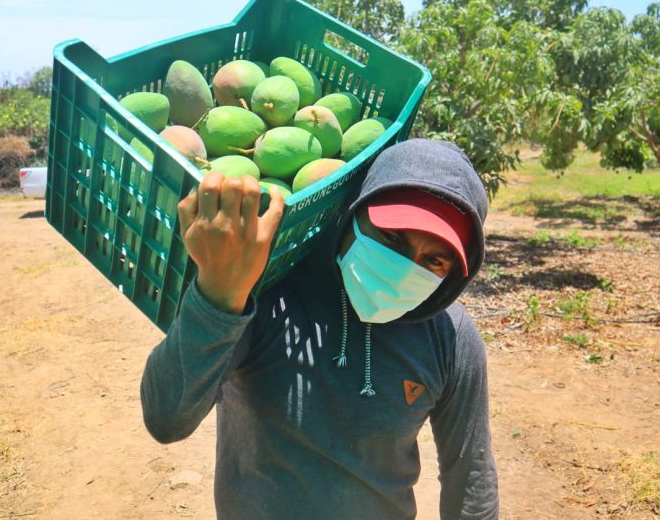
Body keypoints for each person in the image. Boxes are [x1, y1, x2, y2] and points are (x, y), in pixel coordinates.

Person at [140, 138, 499, 519]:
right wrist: (218, 292)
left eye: (433, 260)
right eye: (391, 237)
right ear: (353, 212)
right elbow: (167, 417)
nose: (402, 267)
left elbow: (470, 477)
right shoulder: (272, 296)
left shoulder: (450, 338)